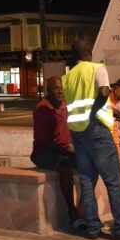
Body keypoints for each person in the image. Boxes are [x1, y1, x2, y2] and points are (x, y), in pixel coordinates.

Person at [62, 40, 120, 240]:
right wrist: (95, 112)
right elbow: (104, 92)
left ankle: (92, 228)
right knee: (113, 182)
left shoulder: (68, 76)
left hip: (77, 132)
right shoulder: (97, 68)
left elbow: (76, 103)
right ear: (89, 53)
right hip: (96, 129)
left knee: (87, 181)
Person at [31, 76, 83, 229]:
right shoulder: (43, 108)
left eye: (61, 87)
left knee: (90, 167)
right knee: (65, 169)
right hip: (45, 152)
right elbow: (44, 140)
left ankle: (83, 209)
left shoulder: (65, 106)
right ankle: (71, 212)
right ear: (48, 91)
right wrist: (67, 152)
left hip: (65, 150)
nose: (59, 91)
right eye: (55, 88)